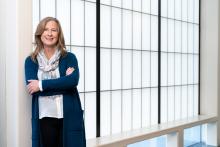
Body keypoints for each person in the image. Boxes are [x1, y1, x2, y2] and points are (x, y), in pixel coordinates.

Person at [25, 17, 86, 147]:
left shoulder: (69, 57)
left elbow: (73, 81)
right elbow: (32, 88)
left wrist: (41, 85)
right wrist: (63, 81)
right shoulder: (31, 61)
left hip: (68, 114)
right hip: (44, 116)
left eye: (54, 30)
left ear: (59, 34)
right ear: (40, 33)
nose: (50, 33)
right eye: (46, 29)